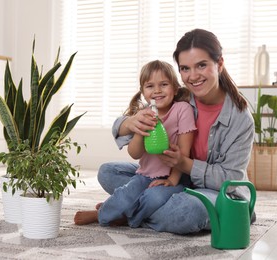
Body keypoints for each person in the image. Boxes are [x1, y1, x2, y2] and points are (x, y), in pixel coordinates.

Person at [77, 28, 255, 234]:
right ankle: (139, 207)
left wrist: (184, 164)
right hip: (167, 178)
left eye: (202, 65)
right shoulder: (178, 96)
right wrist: (132, 122)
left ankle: (125, 212)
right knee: (109, 172)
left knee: (187, 212)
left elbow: (229, 179)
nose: (193, 76)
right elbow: (122, 126)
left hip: (213, 190)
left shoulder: (240, 119)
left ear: (220, 64)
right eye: (185, 68)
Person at [74, 60, 196, 227]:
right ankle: (107, 213)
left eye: (164, 84)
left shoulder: (182, 109)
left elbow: (184, 150)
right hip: (146, 175)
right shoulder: (143, 114)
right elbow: (135, 154)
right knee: (125, 194)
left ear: (175, 88)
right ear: (143, 92)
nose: (157, 90)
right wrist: (140, 131)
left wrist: (173, 179)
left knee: (154, 198)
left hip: (177, 177)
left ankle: (120, 214)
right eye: (150, 86)